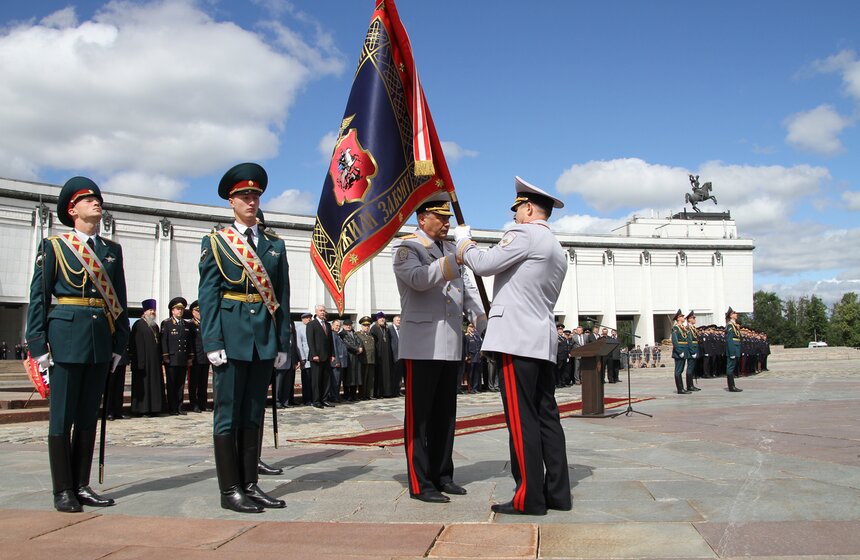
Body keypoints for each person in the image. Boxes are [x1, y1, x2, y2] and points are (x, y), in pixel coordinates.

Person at [455, 176, 571, 516]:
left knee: (522, 420)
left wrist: (464, 244)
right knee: (547, 417)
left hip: (516, 339)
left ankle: (529, 496)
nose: (515, 216)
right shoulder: (556, 247)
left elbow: (484, 264)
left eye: (518, 209)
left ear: (530, 208)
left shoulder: (524, 234)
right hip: (540, 338)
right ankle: (558, 494)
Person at [26, 176, 130, 512]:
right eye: (88, 200)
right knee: (62, 418)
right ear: (72, 210)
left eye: (98, 199)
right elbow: (39, 298)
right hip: (66, 338)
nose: (96, 203)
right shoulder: (54, 247)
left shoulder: (111, 251)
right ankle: (62, 489)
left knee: (88, 416)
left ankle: (82, 484)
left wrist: (119, 344)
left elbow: (120, 301)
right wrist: (38, 345)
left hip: (100, 341)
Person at [198, 162, 290, 513]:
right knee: (227, 415)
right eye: (244, 196)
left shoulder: (274, 244)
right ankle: (229, 489)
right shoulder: (217, 243)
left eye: (255, 196)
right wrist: (212, 341)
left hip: (263, 338)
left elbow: (281, 297)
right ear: (231, 202)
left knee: (254, 413)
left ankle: (251, 483)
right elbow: (208, 295)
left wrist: (282, 343)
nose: (251, 201)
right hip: (231, 334)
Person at [392, 193, 485, 504]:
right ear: (422, 219)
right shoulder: (407, 248)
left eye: (448, 217)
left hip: (450, 343)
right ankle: (420, 483)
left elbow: (467, 290)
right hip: (421, 345)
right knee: (419, 418)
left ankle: (443, 474)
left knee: (445, 413)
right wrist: (453, 260)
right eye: (440, 217)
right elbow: (419, 280)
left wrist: (483, 318)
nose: (447, 222)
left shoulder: (448, 249)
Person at [130, 299, 165, 416]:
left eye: (154, 310)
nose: (152, 312)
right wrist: (139, 361)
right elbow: (135, 344)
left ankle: (155, 408)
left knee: (155, 384)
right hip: (143, 361)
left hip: (154, 362)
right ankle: (142, 409)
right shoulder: (138, 325)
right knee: (144, 385)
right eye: (150, 310)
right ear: (144, 311)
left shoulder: (155, 326)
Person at [161, 297, 193, 415]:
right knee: (171, 384)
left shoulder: (186, 324)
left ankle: (179, 407)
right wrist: (165, 356)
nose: (180, 311)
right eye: (177, 309)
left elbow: (189, 342)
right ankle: (172, 407)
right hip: (172, 358)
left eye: (181, 309)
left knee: (180, 384)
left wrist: (190, 357)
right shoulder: (167, 323)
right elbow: (164, 340)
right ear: (172, 310)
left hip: (182, 358)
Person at [306, 304, 335, 409]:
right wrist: (314, 354)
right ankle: (316, 400)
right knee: (316, 380)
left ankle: (324, 399)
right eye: (321, 311)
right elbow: (310, 341)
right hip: (316, 357)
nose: (323, 312)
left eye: (324, 310)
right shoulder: (311, 324)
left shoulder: (327, 325)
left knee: (326, 379)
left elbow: (330, 341)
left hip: (326, 356)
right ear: (316, 312)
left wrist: (332, 354)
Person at [188, 300, 211, 412]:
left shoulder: (206, 324)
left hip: (205, 357)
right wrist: (190, 357)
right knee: (194, 383)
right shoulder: (190, 325)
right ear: (192, 312)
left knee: (204, 383)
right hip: (195, 358)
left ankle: (203, 403)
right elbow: (190, 343)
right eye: (197, 311)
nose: (199, 313)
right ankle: (194, 404)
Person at [370, 312, 397, 398]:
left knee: (388, 374)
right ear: (377, 320)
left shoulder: (387, 329)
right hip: (379, 356)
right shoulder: (374, 329)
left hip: (387, 356)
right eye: (380, 318)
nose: (382, 319)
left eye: (383, 318)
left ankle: (387, 392)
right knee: (380, 374)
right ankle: (379, 393)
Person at [339, 319, 364, 401]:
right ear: (343, 326)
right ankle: (347, 395)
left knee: (355, 377)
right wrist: (357, 349)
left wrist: (360, 348)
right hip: (348, 357)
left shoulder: (354, 333)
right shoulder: (342, 334)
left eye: (350, 325)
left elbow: (360, 341)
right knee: (348, 377)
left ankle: (353, 394)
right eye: (346, 325)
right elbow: (347, 344)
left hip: (356, 358)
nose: (348, 326)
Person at [671, 310, 690, 394]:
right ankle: (680, 389)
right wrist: (679, 351)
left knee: (681, 370)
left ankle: (682, 388)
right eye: (682, 316)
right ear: (678, 318)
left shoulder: (682, 328)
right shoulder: (675, 328)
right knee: (678, 370)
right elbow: (675, 341)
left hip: (684, 350)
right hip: (679, 351)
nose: (683, 318)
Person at [295, 312, 313, 405]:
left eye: (310, 318)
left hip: (313, 358)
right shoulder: (299, 329)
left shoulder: (313, 327)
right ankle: (307, 399)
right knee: (306, 379)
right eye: (306, 318)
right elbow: (299, 344)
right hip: (305, 358)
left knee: (313, 380)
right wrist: (302, 357)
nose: (309, 319)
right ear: (302, 319)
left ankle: (313, 398)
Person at [356, 316, 376, 399]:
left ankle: (369, 394)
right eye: (365, 325)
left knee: (370, 379)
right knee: (363, 378)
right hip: (363, 360)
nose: (367, 327)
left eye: (368, 326)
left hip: (371, 359)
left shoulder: (371, 336)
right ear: (361, 326)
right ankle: (362, 395)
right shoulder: (358, 335)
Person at [725, 307, 743, 392]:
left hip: (736, 348)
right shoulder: (730, 325)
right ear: (731, 315)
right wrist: (732, 352)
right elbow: (729, 340)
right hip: (732, 349)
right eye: (735, 313)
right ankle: (731, 386)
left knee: (732, 368)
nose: (736, 314)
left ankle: (732, 386)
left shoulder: (734, 325)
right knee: (730, 368)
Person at [330, 319, 348, 403]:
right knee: (335, 381)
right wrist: (336, 361)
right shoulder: (333, 335)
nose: (338, 327)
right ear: (332, 326)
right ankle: (334, 396)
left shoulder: (337, 335)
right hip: (336, 362)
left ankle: (336, 395)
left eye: (339, 326)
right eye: (336, 325)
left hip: (341, 361)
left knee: (338, 381)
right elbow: (334, 349)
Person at [685, 311, 701, 391]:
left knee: (692, 368)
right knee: (690, 368)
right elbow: (689, 340)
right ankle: (689, 386)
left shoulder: (692, 327)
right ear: (689, 319)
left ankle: (691, 385)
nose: (695, 319)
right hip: (691, 350)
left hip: (695, 349)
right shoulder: (688, 328)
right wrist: (692, 351)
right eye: (693, 318)